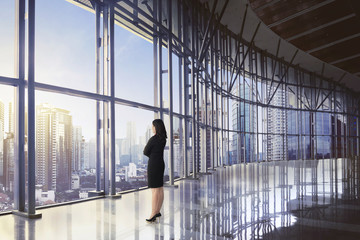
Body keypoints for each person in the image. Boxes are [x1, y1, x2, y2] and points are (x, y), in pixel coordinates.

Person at [143, 119, 167, 223]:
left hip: (154, 165)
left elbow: (145, 151)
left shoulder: (153, 139)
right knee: (160, 189)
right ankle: (157, 211)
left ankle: (153, 213)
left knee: (154, 190)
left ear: (156, 127)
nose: (152, 128)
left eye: (153, 126)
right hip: (160, 163)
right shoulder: (163, 139)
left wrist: (152, 156)